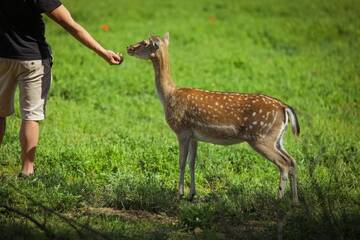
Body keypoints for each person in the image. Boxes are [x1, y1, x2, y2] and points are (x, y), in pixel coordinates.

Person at [0, 0, 123, 177]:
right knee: (31, 116)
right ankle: (27, 170)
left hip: (2, 58)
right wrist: (103, 52)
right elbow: (71, 25)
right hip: (33, 60)